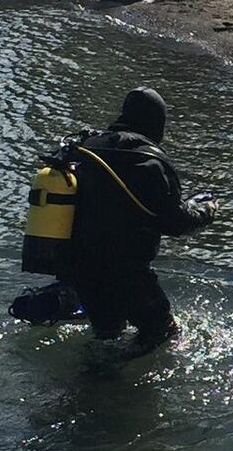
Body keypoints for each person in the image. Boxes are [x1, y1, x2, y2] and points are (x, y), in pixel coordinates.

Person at [67, 87, 217, 350]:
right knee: (162, 332)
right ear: (157, 122)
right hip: (128, 274)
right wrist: (206, 211)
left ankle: (93, 380)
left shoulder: (86, 151)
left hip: (80, 270)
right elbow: (174, 222)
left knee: (107, 335)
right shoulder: (149, 161)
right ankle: (104, 383)